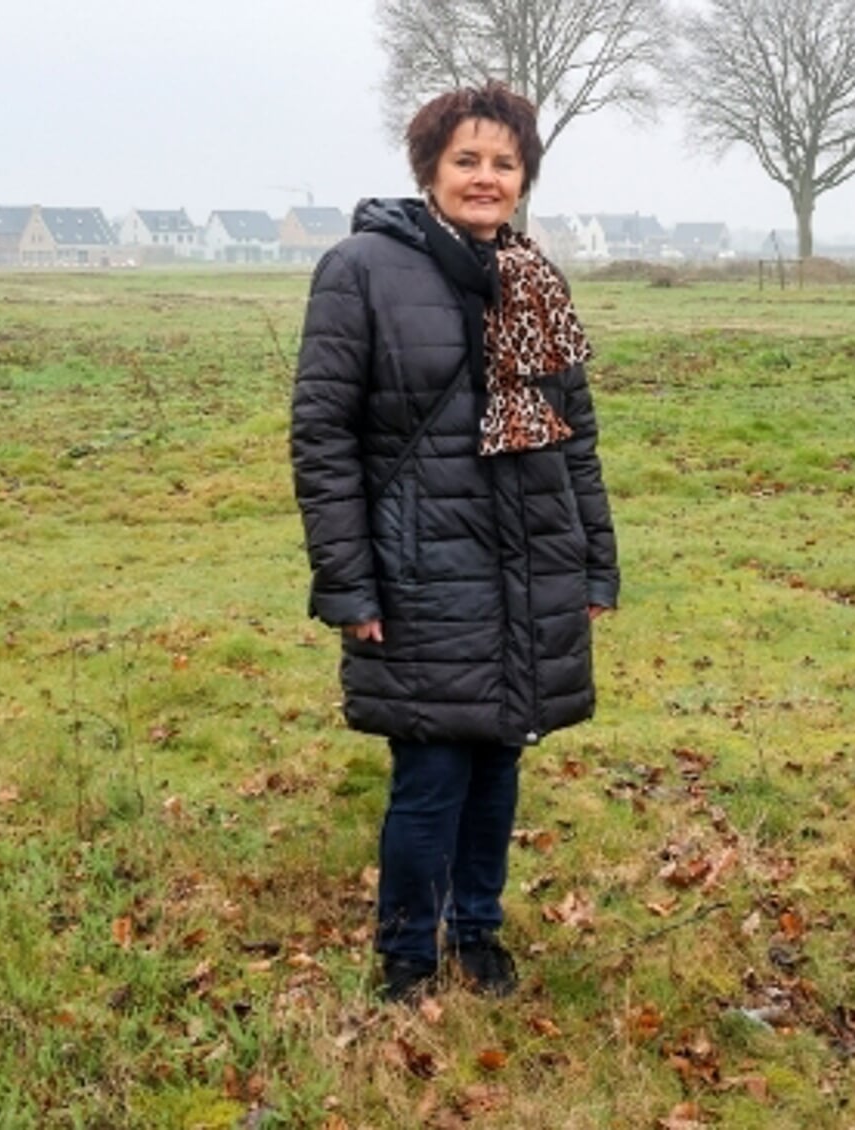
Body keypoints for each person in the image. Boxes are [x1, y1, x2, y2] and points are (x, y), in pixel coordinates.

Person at [289, 82, 619, 1003]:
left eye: (503, 163)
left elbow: (573, 437)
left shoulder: (535, 280)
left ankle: (477, 934)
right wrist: (347, 585)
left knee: (498, 760)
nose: (485, 178)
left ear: (524, 179)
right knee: (431, 772)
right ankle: (405, 954)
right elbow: (323, 439)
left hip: (528, 562)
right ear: (429, 170)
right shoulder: (359, 269)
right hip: (421, 570)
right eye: (465, 160)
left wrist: (594, 559)